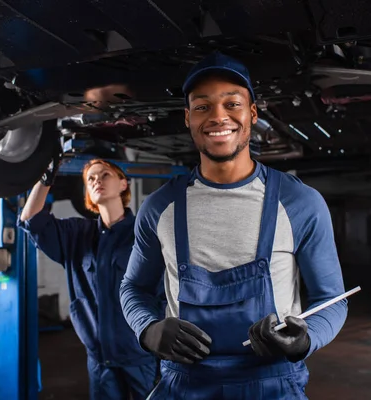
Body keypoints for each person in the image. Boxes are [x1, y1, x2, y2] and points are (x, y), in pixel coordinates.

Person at [119, 52, 348, 399]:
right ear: (187, 118)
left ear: (252, 114)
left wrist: (305, 338)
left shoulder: (300, 203)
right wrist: (148, 329)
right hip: (185, 386)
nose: (218, 116)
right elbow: (133, 287)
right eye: (202, 107)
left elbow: (332, 300)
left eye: (232, 103)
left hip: (272, 384)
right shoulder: (159, 208)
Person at [18, 157, 160, 400]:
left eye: (105, 175)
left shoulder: (144, 233)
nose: (97, 181)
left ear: (123, 184)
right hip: (99, 357)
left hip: (140, 354)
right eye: (90, 179)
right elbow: (31, 219)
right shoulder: (77, 234)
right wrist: (46, 176)